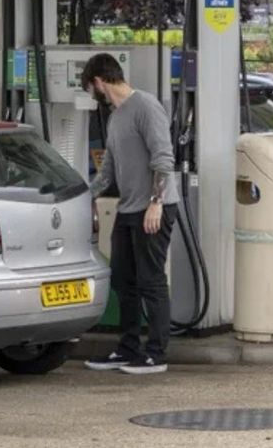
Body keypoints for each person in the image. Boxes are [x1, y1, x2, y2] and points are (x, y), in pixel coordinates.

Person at [80, 53, 178, 375]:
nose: (92, 95)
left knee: (151, 281)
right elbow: (108, 171)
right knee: (123, 279)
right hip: (128, 208)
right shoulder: (115, 117)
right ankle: (128, 347)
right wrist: (83, 195)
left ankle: (156, 353)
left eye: (90, 88)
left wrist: (156, 202)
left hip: (153, 207)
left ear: (98, 82)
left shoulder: (146, 107)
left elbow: (164, 157)